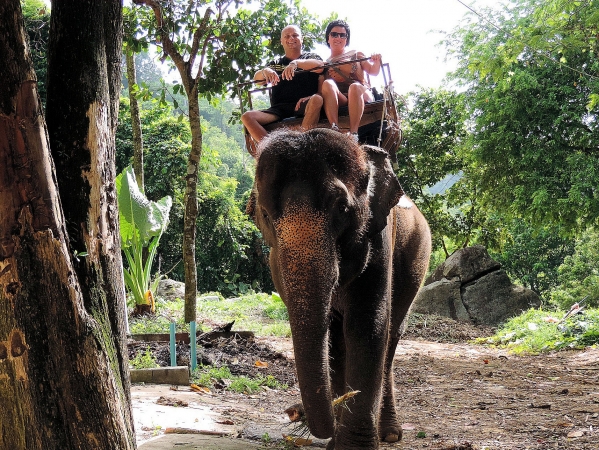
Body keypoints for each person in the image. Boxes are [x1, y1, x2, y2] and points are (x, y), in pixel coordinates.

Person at [241, 25, 324, 156]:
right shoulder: (275, 63)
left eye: (295, 35)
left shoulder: (311, 57)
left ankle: (301, 147)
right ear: (281, 41)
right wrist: (265, 71)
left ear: (302, 39)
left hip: (303, 105)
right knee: (247, 117)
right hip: (279, 109)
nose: (291, 38)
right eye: (287, 36)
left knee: (317, 99)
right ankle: (272, 152)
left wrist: (296, 63)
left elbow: (320, 66)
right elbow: (257, 80)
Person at [321, 20, 382, 142]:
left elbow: (373, 71)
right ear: (328, 38)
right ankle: (335, 129)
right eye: (334, 34)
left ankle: (354, 133)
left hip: (360, 94)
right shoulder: (324, 64)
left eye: (342, 35)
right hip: (343, 98)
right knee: (327, 83)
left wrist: (377, 61)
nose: (338, 37)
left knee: (354, 87)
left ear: (346, 39)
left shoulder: (356, 54)